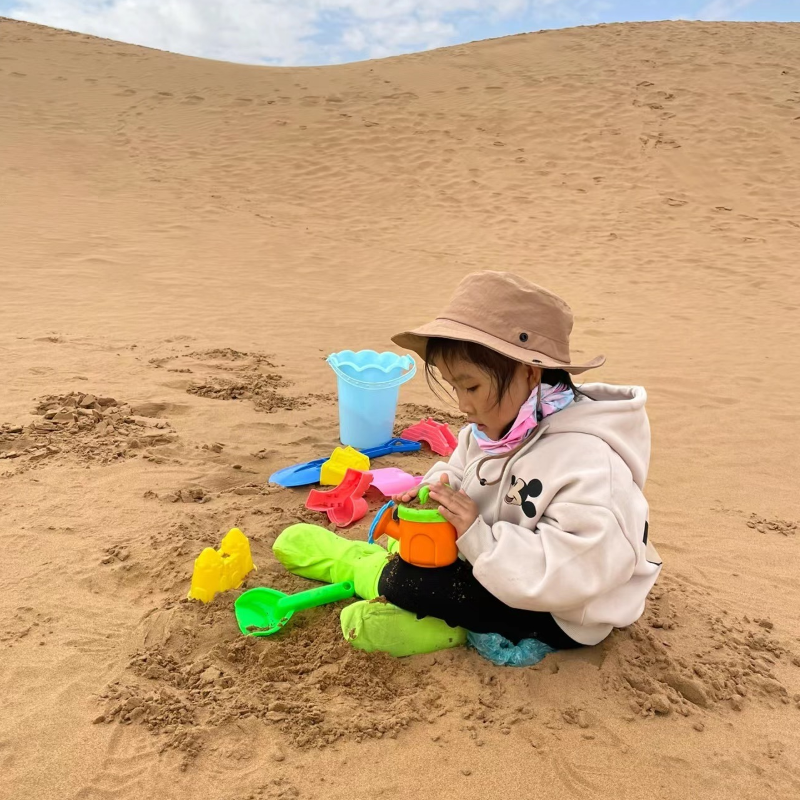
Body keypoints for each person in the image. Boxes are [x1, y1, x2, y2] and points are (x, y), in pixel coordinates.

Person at [274, 271, 662, 657]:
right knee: (413, 555)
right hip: (496, 563)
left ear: (529, 374)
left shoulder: (589, 461)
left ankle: (375, 581)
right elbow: (462, 466)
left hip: (562, 610)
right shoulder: (499, 425)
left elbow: (571, 572)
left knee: (408, 583)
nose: (462, 405)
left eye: (471, 386)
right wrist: (436, 487)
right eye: (454, 386)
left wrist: (476, 532)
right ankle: (366, 567)